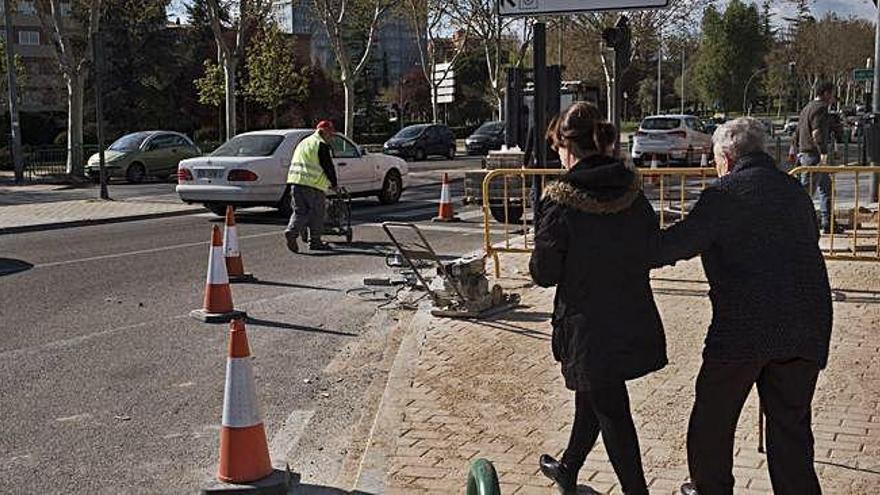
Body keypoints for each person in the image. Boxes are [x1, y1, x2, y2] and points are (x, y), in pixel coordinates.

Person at [651, 117, 832, 495]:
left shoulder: (724, 194)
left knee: (713, 420)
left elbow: (672, 247)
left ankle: (710, 489)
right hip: (806, 324)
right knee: (791, 430)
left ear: (727, 159)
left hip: (744, 329)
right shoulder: (793, 190)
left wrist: (625, 242)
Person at [529, 102, 666, 495]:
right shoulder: (631, 190)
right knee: (593, 395)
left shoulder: (560, 198)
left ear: (567, 146)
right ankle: (568, 468)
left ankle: (636, 491)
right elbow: (649, 246)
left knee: (612, 410)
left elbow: (545, 273)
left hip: (588, 325)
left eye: (556, 147)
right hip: (631, 313)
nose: (557, 156)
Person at [794, 81, 843, 234]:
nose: (834, 98)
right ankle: (798, 224)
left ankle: (828, 223)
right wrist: (823, 152)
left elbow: (797, 131)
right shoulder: (821, 109)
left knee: (825, 189)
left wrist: (794, 150)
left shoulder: (807, 107)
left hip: (805, 153)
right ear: (826, 93)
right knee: (808, 192)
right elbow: (817, 133)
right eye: (833, 94)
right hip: (813, 155)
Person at [284, 120, 339, 253]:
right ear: (323, 132)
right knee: (317, 213)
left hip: (296, 182)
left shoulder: (304, 142)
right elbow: (328, 166)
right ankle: (315, 241)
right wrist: (334, 184)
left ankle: (291, 231)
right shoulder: (321, 144)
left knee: (300, 211)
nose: (331, 137)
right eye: (330, 134)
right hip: (313, 185)